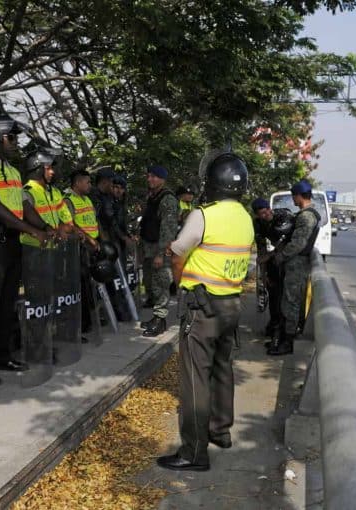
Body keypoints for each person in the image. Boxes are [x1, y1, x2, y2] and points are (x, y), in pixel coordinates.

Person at [156, 153, 253, 472]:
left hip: (202, 306)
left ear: (211, 183)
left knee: (196, 377)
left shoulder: (203, 215)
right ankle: (220, 430)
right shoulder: (244, 216)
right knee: (222, 368)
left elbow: (177, 252)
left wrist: (180, 284)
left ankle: (193, 453)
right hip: (231, 305)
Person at [0, 115, 48, 385]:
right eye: (12, 138)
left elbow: (24, 207)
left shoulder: (13, 171)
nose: (15, 143)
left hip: (12, 239)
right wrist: (31, 230)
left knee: (7, 303)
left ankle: (2, 356)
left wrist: (45, 227)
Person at [268, 179, 321, 356]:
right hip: (295, 264)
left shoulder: (306, 216)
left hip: (296, 264)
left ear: (299, 196)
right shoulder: (306, 214)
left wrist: (281, 257)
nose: (293, 200)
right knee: (287, 301)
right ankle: (282, 338)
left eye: (294, 196)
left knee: (291, 302)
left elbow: (298, 243)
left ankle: (287, 342)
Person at [139, 165, 178, 337]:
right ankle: (156, 317)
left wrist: (161, 253)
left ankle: (160, 320)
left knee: (161, 283)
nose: (150, 179)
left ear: (162, 179)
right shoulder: (153, 197)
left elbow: (168, 229)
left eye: (154, 177)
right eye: (149, 176)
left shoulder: (167, 199)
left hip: (159, 248)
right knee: (152, 283)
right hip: (149, 247)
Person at [252, 199, 294, 339]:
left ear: (270, 208)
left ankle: (287, 329)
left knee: (286, 297)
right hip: (275, 261)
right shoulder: (258, 223)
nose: (266, 215)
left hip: (290, 260)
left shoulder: (284, 216)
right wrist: (263, 275)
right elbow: (261, 249)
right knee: (274, 293)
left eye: (266, 211)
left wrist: (270, 255)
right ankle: (274, 324)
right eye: (261, 214)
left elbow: (287, 244)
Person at [64, 170, 100, 339]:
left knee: (87, 287)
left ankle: (86, 322)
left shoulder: (86, 199)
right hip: (75, 251)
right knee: (77, 289)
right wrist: (88, 240)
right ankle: (76, 327)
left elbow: (92, 222)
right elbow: (70, 225)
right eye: (87, 182)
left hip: (89, 250)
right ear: (77, 183)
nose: (90, 185)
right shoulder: (68, 200)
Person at [89, 166, 118, 242]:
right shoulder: (93, 196)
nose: (114, 184)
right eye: (112, 181)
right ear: (104, 181)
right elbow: (95, 219)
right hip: (99, 239)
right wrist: (103, 238)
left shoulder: (109, 196)